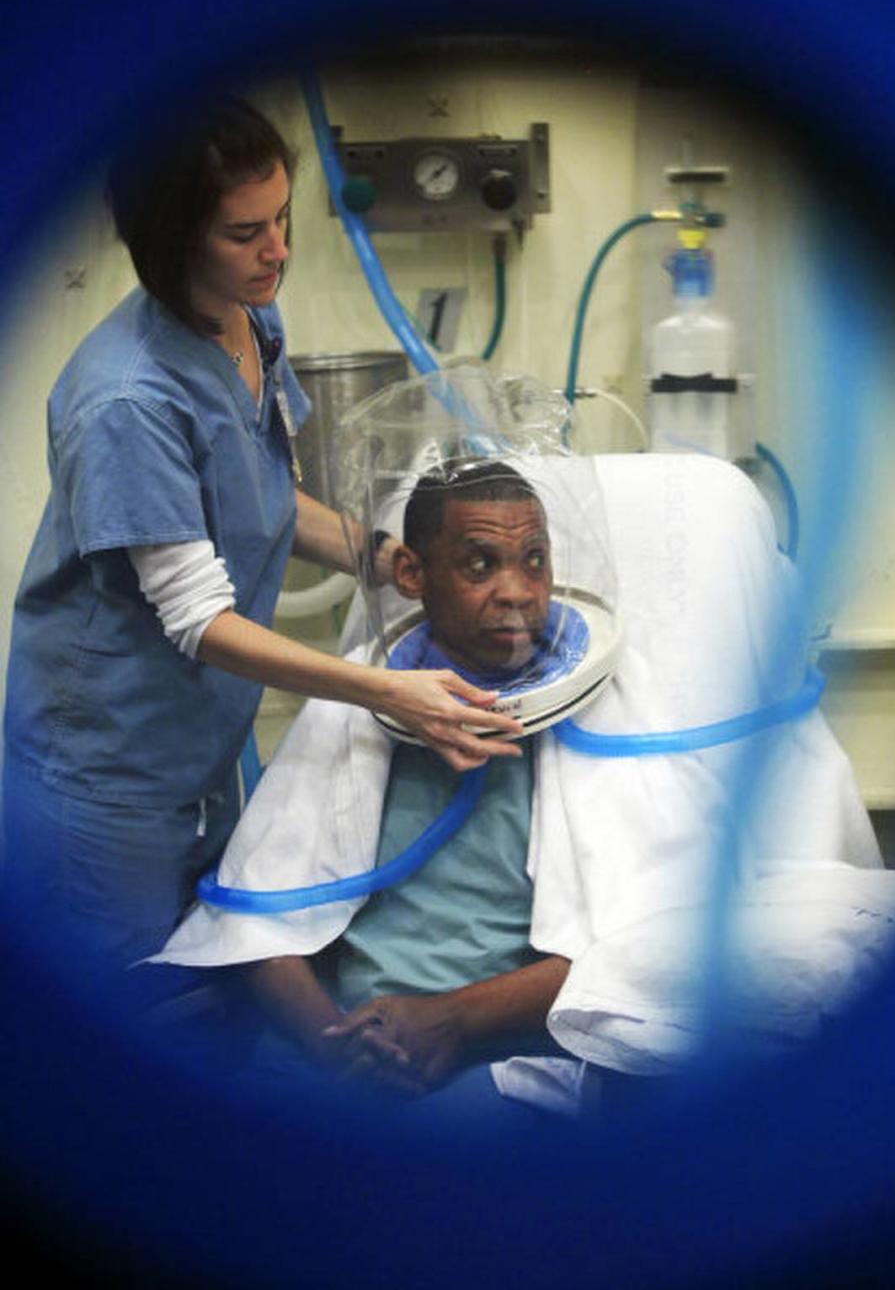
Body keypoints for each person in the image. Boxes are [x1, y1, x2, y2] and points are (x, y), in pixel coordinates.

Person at [1, 97, 520, 983]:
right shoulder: (127, 401)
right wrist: (383, 691)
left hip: (197, 752)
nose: (278, 250)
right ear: (172, 240)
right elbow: (199, 618)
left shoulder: (248, 323)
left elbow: (266, 491)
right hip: (106, 775)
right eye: (246, 233)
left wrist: (381, 553)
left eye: (281, 218)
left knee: (206, 978)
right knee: (126, 1015)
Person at [159, 459, 573, 1105]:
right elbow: (255, 916)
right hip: (342, 1043)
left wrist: (455, 1022)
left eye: (535, 560)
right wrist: (333, 1045)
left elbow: (635, 951)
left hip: (494, 1052)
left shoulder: (589, 721)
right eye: (479, 564)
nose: (517, 592)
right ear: (412, 574)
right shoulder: (356, 704)